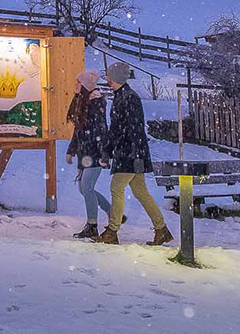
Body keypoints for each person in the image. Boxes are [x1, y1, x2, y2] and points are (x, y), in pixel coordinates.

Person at [99, 61, 172, 246]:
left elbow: (124, 129)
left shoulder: (127, 98)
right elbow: (125, 129)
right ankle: (161, 229)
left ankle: (112, 231)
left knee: (116, 188)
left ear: (114, 78)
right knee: (140, 191)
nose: (106, 77)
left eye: (108, 75)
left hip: (129, 153)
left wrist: (112, 151)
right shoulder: (124, 96)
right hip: (134, 151)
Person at [64, 68, 111, 240]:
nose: (75, 84)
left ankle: (92, 225)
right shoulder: (82, 102)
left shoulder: (96, 104)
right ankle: (114, 214)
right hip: (84, 153)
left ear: (84, 86)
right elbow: (78, 130)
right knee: (85, 189)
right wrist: (71, 151)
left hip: (94, 153)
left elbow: (101, 130)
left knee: (87, 188)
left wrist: (104, 155)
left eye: (78, 82)